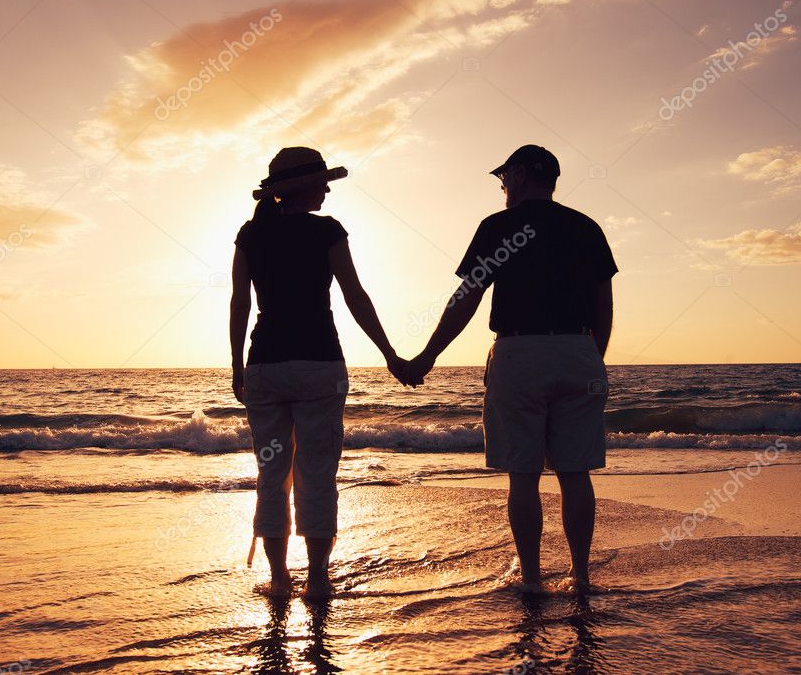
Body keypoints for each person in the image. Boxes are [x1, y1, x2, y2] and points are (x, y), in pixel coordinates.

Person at [403, 145, 617, 593]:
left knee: (523, 475)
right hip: (579, 348)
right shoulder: (586, 227)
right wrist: (594, 358)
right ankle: (580, 576)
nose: (502, 186)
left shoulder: (499, 227)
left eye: (504, 178)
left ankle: (533, 580)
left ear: (520, 175)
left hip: (520, 352)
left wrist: (429, 355)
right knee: (575, 473)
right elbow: (603, 304)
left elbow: (468, 297)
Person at [230, 146, 406, 598]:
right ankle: (319, 579)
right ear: (302, 187)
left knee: (271, 474)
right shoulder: (326, 231)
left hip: (265, 364)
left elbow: (240, 304)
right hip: (319, 364)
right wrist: (388, 351)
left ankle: (279, 578)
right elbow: (354, 295)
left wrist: (237, 364)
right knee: (317, 472)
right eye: (322, 181)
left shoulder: (251, 234)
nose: (327, 188)